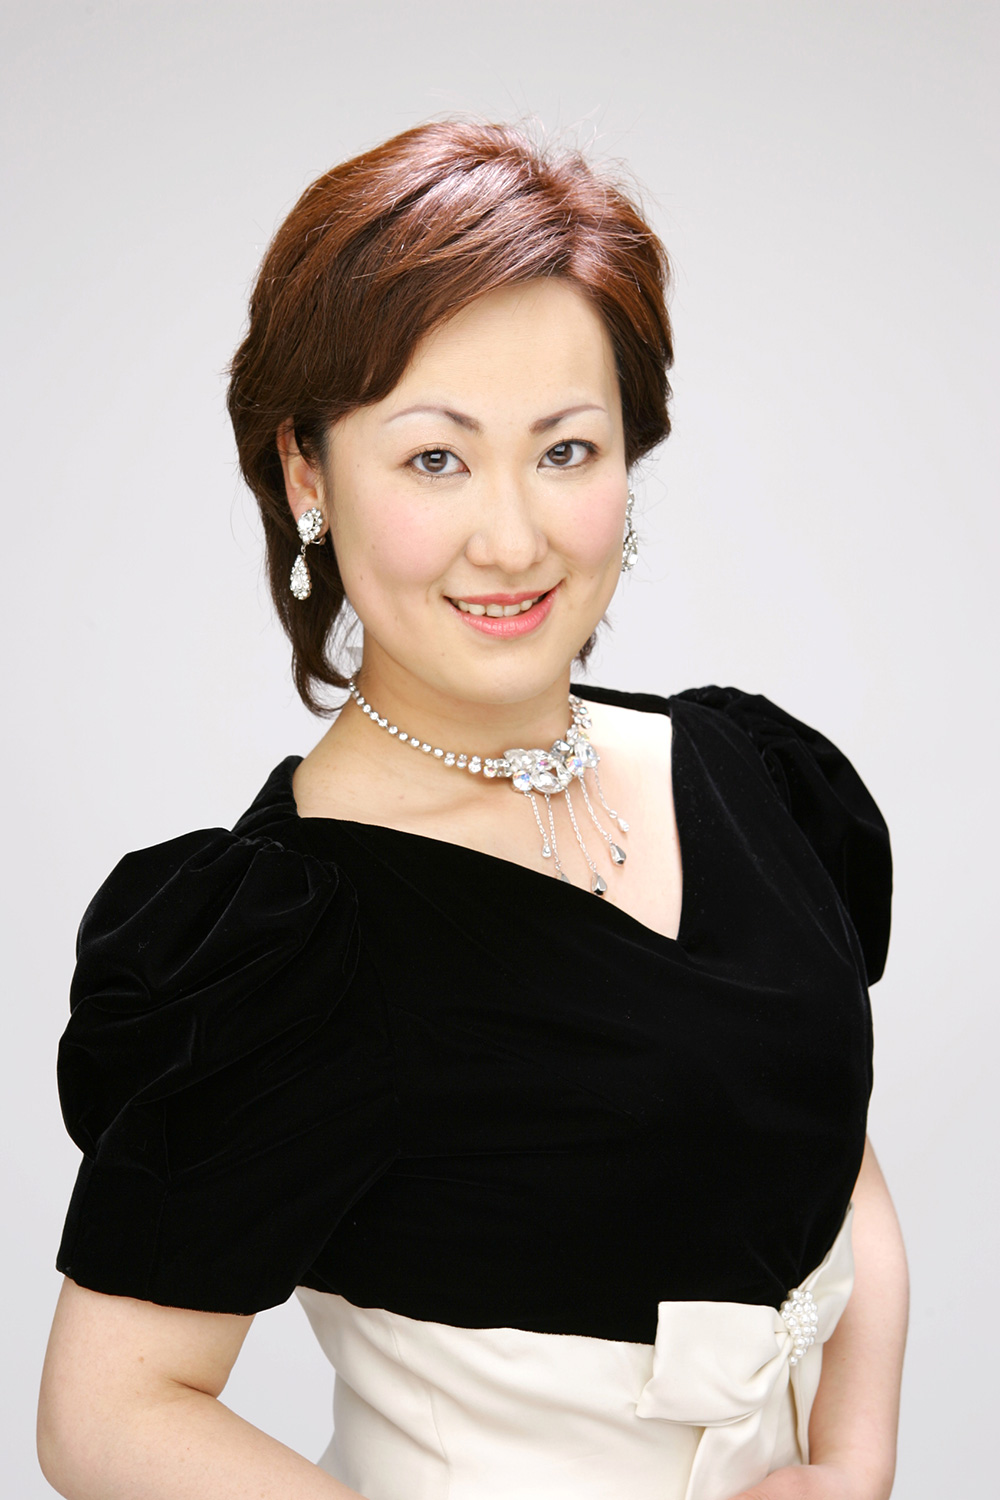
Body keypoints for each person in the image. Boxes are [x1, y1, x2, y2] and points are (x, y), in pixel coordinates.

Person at [37, 120, 908, 1500]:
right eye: (436, 460)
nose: (512, 539)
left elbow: (824, 1154)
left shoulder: (746, 774)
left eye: (567, 451)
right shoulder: (289, 942)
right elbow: (105, 1414)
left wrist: (851, 1463)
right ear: (309, 473)